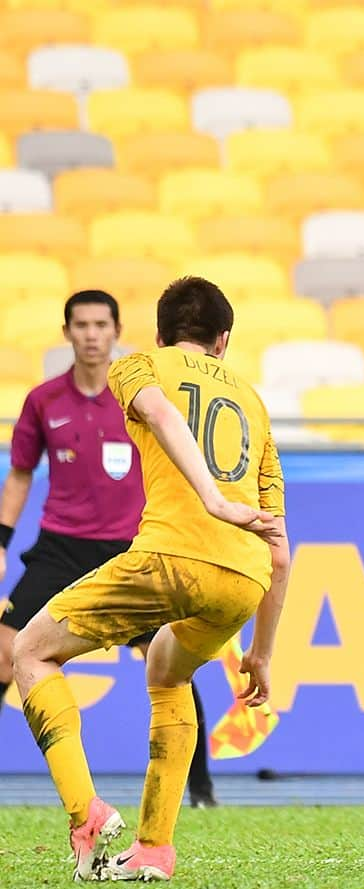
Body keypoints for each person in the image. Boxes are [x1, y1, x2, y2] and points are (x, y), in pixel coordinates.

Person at [12, 276, 290, 883]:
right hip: (242, 580)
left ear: (161, 334)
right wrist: (262, 654)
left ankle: (86, 813)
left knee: (29, 651)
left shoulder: (139, 366)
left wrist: (212, 501)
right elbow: (281, 551)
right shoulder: (254, 402)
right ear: (223, 341)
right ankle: (154, 851)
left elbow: (160, 411)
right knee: (168, 672)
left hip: (170, 557)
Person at [0, 290, 218, 808]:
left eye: (101, 325)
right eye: (82, 325)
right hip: (59, 549)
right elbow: (21, 474)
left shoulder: (141, 395)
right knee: (6, 652)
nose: (92, 335)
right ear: (68, 332)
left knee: (172, 663)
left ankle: (203, 790)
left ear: (117, 331)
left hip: (129, 549)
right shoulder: (43, 400)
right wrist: (2, 542)